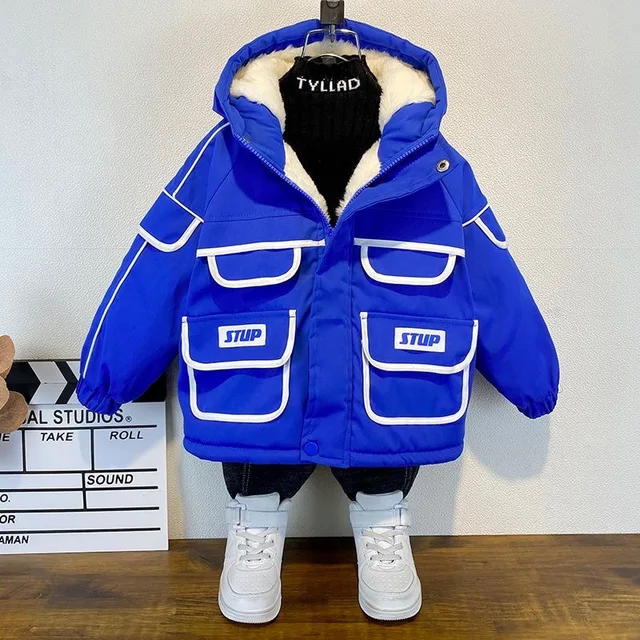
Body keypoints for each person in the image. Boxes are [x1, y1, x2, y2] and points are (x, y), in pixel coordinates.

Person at [78, 19, 559, 624]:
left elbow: (491, 272)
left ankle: (382, 514)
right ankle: (254, 518)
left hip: (382, 394)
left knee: (391, 428)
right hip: (262, 391)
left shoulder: (435, 168)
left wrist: (531, 377)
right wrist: (108, 377)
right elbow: (158, 263)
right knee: (256, 449)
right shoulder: (224, 160)